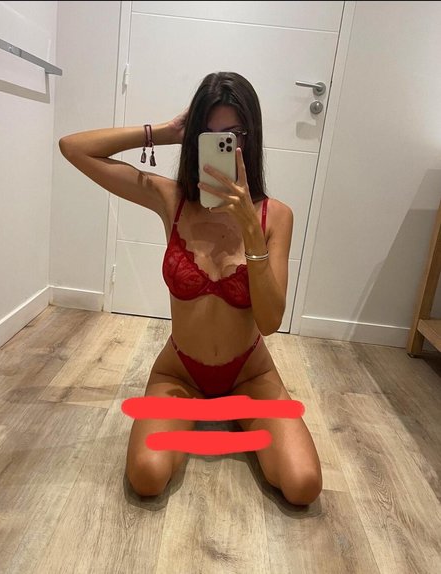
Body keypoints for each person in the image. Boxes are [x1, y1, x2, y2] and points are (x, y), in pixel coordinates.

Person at [59, 71, 322, 505]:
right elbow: (74, 148)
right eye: (209, 135)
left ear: (251, 137)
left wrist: (249, 228)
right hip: (180, 373)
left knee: (303, 485)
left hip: (249, 374)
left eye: (233, 135)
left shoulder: (276, 216)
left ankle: (237, 414)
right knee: (147, 477)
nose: (223, 145)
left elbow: (271, 321)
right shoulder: (172, 200)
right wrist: (163, 132)